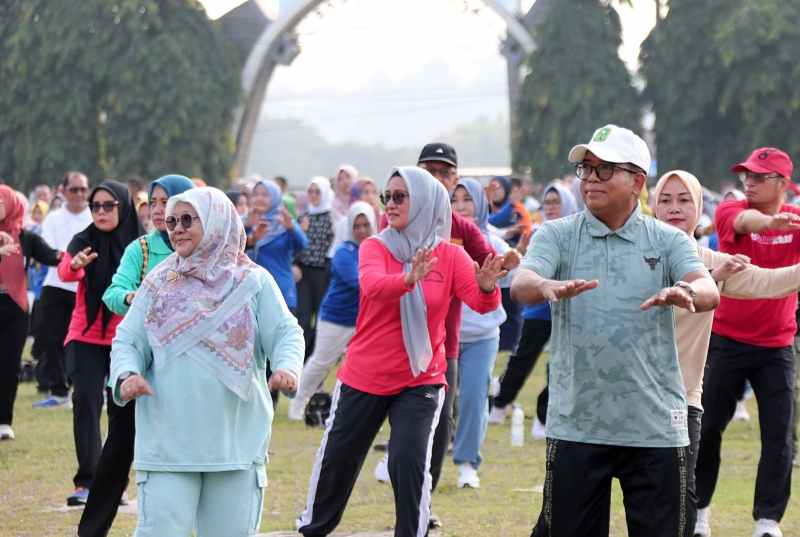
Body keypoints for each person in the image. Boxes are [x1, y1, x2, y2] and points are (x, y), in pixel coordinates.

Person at [512, 124, 719, 537]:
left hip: (655, 427)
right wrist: (544, 285)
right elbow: (522, 283)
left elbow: (708, 286)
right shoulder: (558, 234)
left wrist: (684, 289)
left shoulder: (665, 239)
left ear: (637, 181)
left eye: (604, 170)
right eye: (585, 169)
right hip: (577, 424)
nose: (590, 179)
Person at [297, 166, 505, 537]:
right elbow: (373, 287)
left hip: (421, 378)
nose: (390, 204)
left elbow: (482, 303)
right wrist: (408, 278)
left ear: (424, 202)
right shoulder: (375, 247)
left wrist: (488, 286)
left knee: (409, 462)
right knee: (338, 461)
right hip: (365, 374)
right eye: (387, 197)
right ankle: (313, 529)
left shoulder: (452, 257)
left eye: (399, 196)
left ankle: (413, 532)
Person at [109, 186, 304, 537]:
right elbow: (128, 339)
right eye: (171, 221)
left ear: (217, 222)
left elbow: (287, 332)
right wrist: (127, 374)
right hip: (168, 446)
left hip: (235, 446)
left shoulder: (253, 283)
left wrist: (287, 368)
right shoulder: (157, 284)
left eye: (188, 219)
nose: (177, 228)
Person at [652, 169, 800, 537]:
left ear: (699, 207)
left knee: (672, 510)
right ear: (652, 205)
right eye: (666, 200)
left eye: (684, 200)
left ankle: (765, 520)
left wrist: (714, 273)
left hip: (682, 400)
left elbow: (765, 282)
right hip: (632, 398)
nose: (674, 208)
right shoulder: (637, 252)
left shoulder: (709, 259)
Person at [77, 174, 195, 537]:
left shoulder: (206, 253)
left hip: (186, 370)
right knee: (117, 454)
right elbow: (113, 293)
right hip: (137, 366)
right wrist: (133, 298)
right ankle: (91, 531)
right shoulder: (140, 250)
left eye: (168, 202)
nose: (160, 211)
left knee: (187, 456)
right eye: (155, 203)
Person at [695, 148, 799, 537]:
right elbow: (743, 220)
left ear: (783, 184)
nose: (750, 183)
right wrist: (770, 223)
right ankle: (699, 511)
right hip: (727, 339)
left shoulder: (798, 220)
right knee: (707, 429)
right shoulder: (730, 209)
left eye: (760, 177)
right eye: (747, 176)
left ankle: (768, 521)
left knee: (779, 435)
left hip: (777, 346)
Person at [57, 180, 143, 506]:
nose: (101, 212)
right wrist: (75, 266)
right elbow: (66, 268)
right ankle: (87, 481)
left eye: (109, 206)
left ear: (124, 205)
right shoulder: (85, 238)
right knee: (86, 403)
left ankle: (114, 484)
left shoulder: (140, 245)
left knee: (122, 412)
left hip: (125, 337)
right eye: (96, 206)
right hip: (85, 335)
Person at [489, 181, 579, 437]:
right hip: (539, 307)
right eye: (547, 202)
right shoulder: (539, 231)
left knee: (559, 363)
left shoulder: (577, 232)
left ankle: (544, 416)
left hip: (566, 307)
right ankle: (500, 402)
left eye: (556, 202)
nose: (550, 208)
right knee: (523, 358)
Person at [449, 177, 517, 488]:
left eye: (467, 199)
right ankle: (421, 461)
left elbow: (516, 273)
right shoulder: (439, 238)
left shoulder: (494, 241)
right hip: (442, 336)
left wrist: (512, 265)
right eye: (455, 199)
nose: (461, 206)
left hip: (482, 336)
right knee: (431, 401)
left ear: (481, 203)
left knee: (475, 398)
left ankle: (466, 463)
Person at [288, 201, 376, 420]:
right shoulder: (344, 252)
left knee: (362, 367)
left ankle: (351, 410)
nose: (362, 230)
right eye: (357, 226)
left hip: (363, 320)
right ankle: (297, 404)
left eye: (366, 225)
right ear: (350, 228)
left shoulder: (376, 250)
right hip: (336, 318)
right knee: (321, 362)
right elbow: (360, 283)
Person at [0, 186, 61, 440]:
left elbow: (51, 256)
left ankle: (4, 421)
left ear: (12, 204)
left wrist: (73, 258)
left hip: (15, 310)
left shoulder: (25, 237)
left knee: (8, 365)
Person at [33, 172, 92, 408]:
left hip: (85, 287)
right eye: (74, 189)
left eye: (83, 189)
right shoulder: (53, 218)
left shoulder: (93, 217)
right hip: (56, 285)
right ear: (63, 191)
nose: (79, 194)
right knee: (53, 340)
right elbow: (48, 251)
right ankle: (58, 392)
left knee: (84, 342)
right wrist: (70, 262)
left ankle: (86, 388)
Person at [246, 179, 308, 313]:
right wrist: (247, 227)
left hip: (280, 292)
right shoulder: (245, 221)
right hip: (250, 294)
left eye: (265, 195)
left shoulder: (283, 223)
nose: (259, 198)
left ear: (275, 197)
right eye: (256, 194)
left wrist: (292, 228)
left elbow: (302, 245)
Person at [296, 177, 336, 358]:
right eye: (310, 191)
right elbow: (295, 244)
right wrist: (295, 264)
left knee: (320, 321)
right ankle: (299, 358)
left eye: (317, 191)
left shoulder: (332, 218)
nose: (312, 195)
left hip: (323, 274)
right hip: (303, 272)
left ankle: (311, 359)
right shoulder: (304, 217)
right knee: (302, 319)